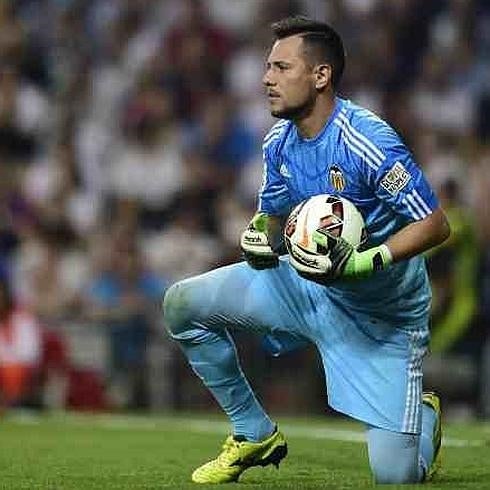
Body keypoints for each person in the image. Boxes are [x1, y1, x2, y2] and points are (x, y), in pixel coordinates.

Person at [163, 16, 450, 485]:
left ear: (321, 76)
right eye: (266, 67)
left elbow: (435, 224)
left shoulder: (368, 142)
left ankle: (425, 418)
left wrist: (365, 260)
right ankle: (253, 432)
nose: (266, 78)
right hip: (305, 286)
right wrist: (260, 233)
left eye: (280, 67)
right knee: (181, 303)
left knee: (397, 476)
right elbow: (274, 215)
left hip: (380, 319)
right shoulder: (278, 144)